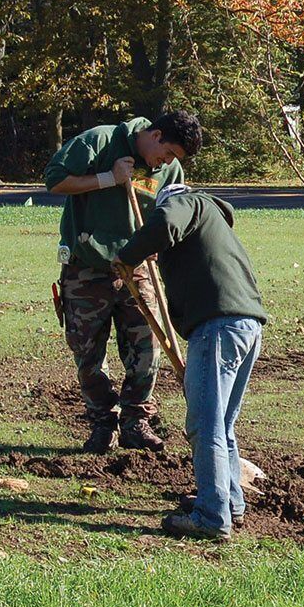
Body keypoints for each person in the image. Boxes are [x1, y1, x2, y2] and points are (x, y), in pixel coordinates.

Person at [113, 184, 267, 541]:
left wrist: (128, 256)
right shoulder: (215, 226)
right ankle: (230, 502)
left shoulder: (188, 203)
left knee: (204, 425)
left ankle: (211, 517)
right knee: (222, 424)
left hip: (218, 327)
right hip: (247, 326)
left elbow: (166, 220)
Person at [45, 112, 202, 454]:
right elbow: (54, 180)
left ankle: (136, 421)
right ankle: (103, 422)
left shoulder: (169, 171)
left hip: (138, 267)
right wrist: (108, 178)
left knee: (149, 348)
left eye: (175, 159)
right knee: (87, 353)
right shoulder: (100, 141)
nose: (168, 163)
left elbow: (171, 217)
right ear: (155, 135)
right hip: (87, 268)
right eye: (168, 153)